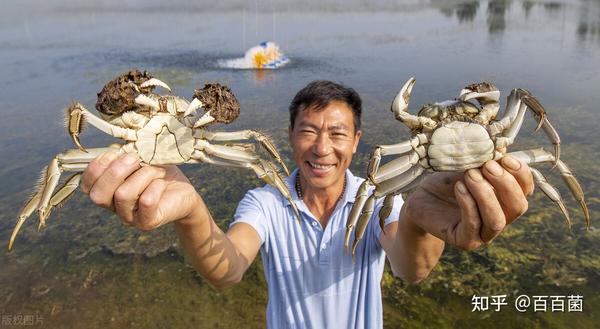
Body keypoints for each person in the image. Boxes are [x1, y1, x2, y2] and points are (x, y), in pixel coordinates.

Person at [80, 80, 533, 328]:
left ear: (356, 143)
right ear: (290, 137)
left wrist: (416, 217)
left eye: (337, 133)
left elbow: (409, 268)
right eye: (308, 131)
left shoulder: (376, 199)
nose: (322, 148)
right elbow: (229, 268)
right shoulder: (266, 201)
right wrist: (193, 211)